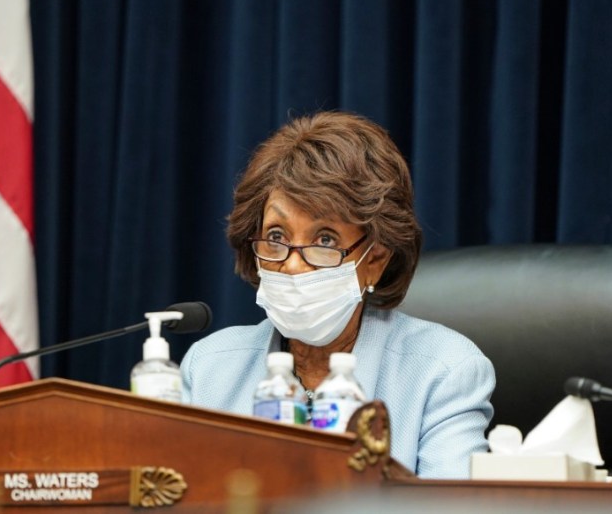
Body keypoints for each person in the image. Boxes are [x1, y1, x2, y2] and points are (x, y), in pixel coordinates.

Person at [180, 111, 494, 478]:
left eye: (325, 239)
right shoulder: (210, 368)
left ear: (374, 259)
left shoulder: (442, 371)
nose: (294, 265)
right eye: (277, 236)